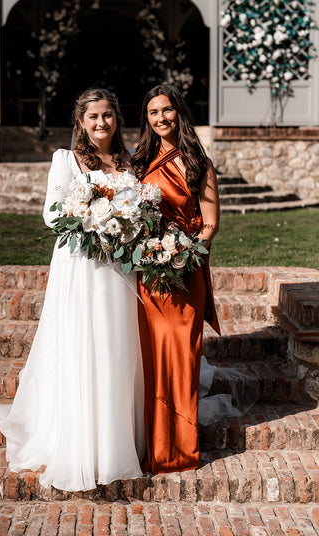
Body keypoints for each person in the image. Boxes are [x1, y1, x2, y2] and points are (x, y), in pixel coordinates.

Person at [0, 88, 145, 492]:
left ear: (117, 118)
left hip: (119, 270)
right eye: (93, 116)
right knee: (81, 348)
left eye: (108, 115)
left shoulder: (131, 160)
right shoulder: (66, 160)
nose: (101, 123)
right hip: (82, 268)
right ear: (80, 122)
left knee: (117, 348)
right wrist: (96, 217)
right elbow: (52, 213)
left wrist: (126, 222)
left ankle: (117, 441)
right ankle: (79, 446)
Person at [131, 83, 221, 474]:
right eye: (153, 113)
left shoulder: (199, 163)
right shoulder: (139, 161)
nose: (160, 118)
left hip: (184, 274)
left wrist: (182, 258)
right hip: (149, 276)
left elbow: (211, 224)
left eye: (166, 110)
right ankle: (149, 444)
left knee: (181, 359)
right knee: (151, 361)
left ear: (178, 112)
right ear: (147, 119)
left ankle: (179, 450)